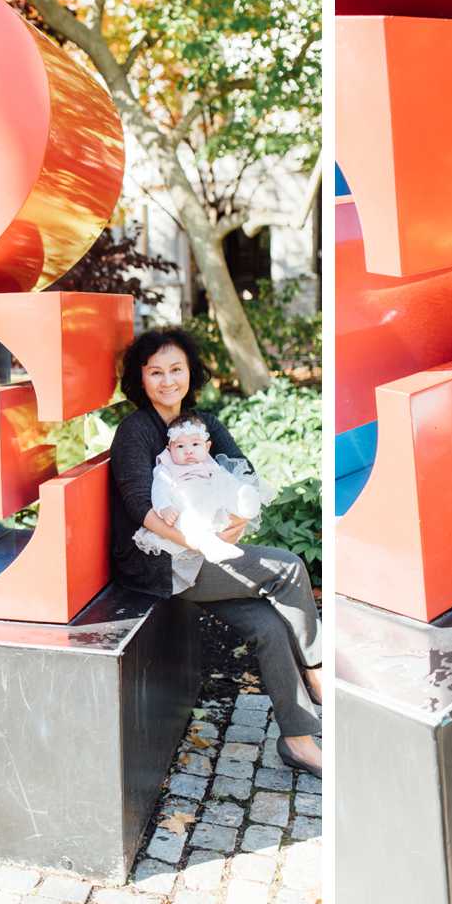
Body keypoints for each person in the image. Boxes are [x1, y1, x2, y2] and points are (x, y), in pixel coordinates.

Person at [109, 327, 323, 776]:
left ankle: (299, 741)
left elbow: (243, 473)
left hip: (207, 556)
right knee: (287, 569)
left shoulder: (203, 424)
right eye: (155, 372)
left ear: (191, 373)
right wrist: (203, 541)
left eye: (176, 369)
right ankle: (318, 672)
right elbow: (139, 507)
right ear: (140, 379)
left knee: (267, 625)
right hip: (161, 564)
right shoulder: (135, 431)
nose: (168, 381)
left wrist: (239, 518)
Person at [133, 409, 269, 565]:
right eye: (180, 446)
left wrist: (235, 489)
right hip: (185, 506)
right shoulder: (166, 468)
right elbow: (159, 490)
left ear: (207, 446)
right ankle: (210, 546)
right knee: (190, 522)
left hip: (212, 503)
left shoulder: (208, 462)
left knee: (227, 485)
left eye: (195, 444)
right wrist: (164, 507)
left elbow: (225, 478)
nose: (189, 451)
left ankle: (244, 504)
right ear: (169, 449)